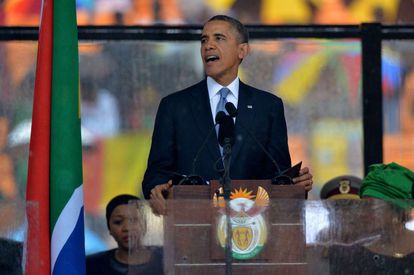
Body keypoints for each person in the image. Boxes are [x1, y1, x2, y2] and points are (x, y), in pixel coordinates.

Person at [142, 15, 313, 203]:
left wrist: (294, 184)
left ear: (242, 50)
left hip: (251, 225)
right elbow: (155, 175)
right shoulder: (174, 106)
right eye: (204, 40)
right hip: (192, 222)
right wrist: (156, 188)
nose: (208, 46)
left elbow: (279, 178)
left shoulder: (268, 107)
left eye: (219, 38)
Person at [86, 194, 163, 275]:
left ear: (145, 225)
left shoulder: (167, 259)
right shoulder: (92, 265)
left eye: (134, 220)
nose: (127, 228)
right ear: (109, 229)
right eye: (118, 222)